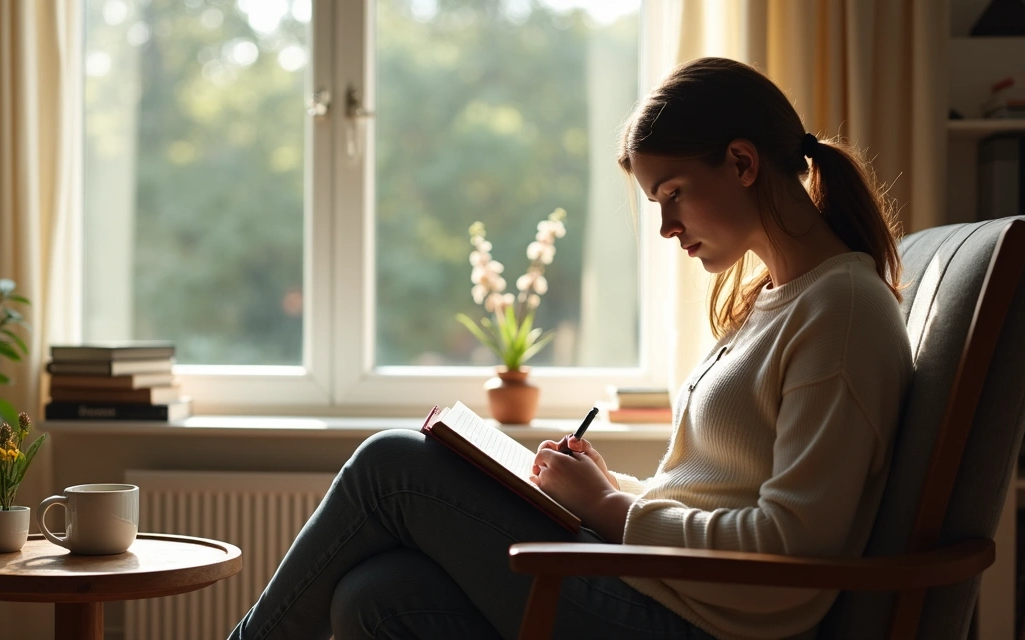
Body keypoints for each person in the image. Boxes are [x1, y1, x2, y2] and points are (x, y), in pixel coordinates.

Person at [229, 56, 912, 640]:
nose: (667, 227)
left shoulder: (841, 311)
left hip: (706, 622)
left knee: (393, 466)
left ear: (740, 162)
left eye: (672, 194)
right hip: (663, 588)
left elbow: (790, 551)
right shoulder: (773, 301)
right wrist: (606, 490)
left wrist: (608, 510)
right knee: (375, 596)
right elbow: (715, 495)